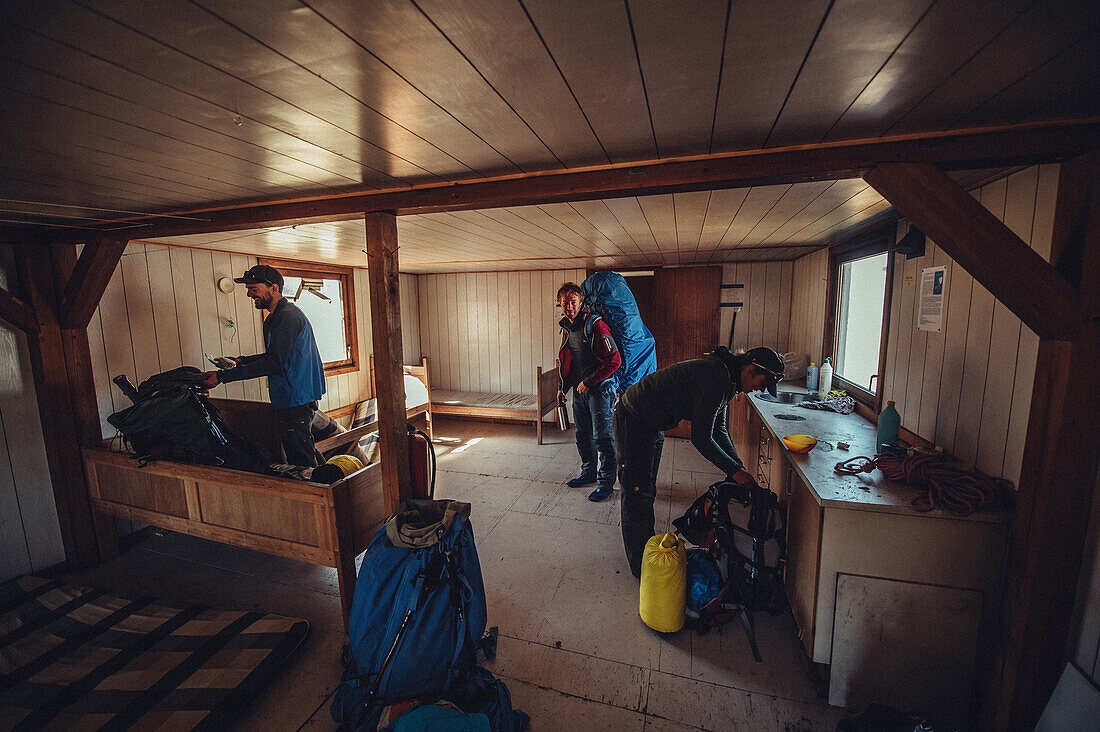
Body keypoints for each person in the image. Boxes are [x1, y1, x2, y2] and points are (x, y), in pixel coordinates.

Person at [614, 345, 785, 577]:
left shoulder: (728, 379)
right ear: (751, 370)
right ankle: (642, 569)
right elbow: (702, 438)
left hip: (651, 423)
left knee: (646, 491)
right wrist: (735, 471)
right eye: (762, 383)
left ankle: (648, 552)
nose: (759, 389)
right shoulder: (717, 377)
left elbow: (719, 429)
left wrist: (737, 467)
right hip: (633, 419)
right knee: (636, 493)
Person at [201, 264, 337, 467]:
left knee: (301, 461)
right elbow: (276, 356)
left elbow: (274, 363)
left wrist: (221, 377)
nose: (249, 294)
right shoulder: (276, 318)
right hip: (292, 397)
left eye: (253, 289)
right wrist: (241, 361)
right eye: (248, 289)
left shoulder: (287, 317)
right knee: (304, 450)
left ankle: (317, 495)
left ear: (274, 288)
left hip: (295, 399)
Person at [556, 282, 622, 502]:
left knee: (602, 437)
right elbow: (570, 361)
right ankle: (588, 474)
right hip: (580, 390)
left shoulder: (596, 325)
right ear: (560, 304)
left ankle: (605, 484)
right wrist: (562, 388)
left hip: (600, 390)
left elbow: (615, 361)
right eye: (565, 303)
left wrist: (590, 381)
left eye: (573, 302)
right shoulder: (567, 327)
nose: (569, 306)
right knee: (582, 435)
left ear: (580, 302)